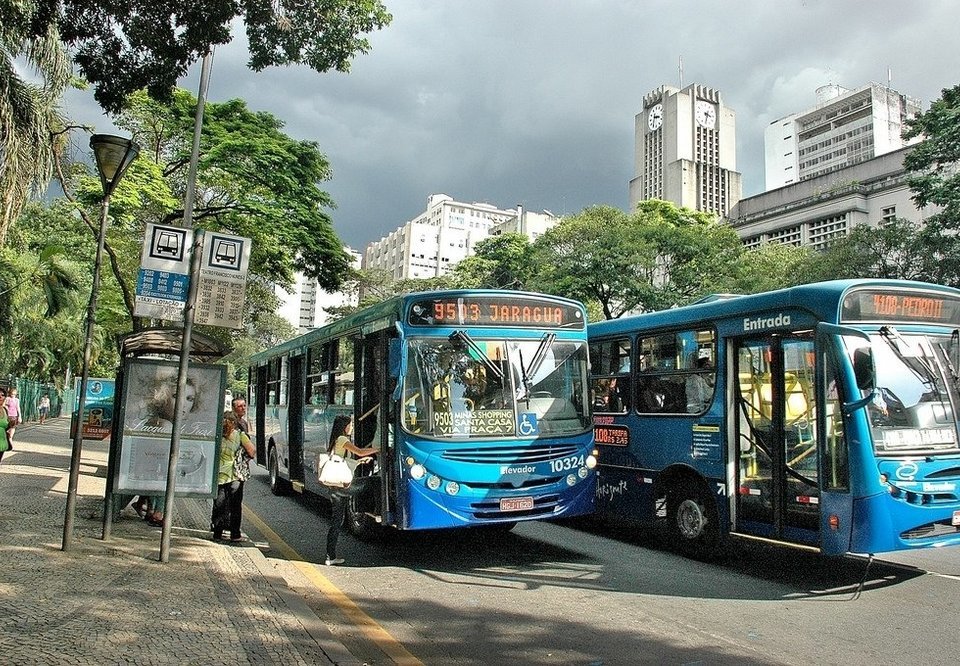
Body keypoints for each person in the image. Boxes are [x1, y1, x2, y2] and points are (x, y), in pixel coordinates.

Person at [325, 414, 377, 566]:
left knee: (337, 521)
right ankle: (366, 509)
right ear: (344, 426)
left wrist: (360, 461)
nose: (352, 427)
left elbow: (344, 460)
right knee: (371, 483)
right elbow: (360, 451)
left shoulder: (337, 439)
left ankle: (330, 556)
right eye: (350, 425)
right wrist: (379, 449)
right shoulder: (342, 439)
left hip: (335, 487)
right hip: (341, 488)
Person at [211, 411, 255, 542]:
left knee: (219, 504)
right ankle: (235, 534)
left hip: (218, 474)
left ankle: (217, 532)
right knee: (235, 505)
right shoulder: (240, 435)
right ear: (235, 423)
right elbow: (252, 452)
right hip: (235, 475)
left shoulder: (216, 435)